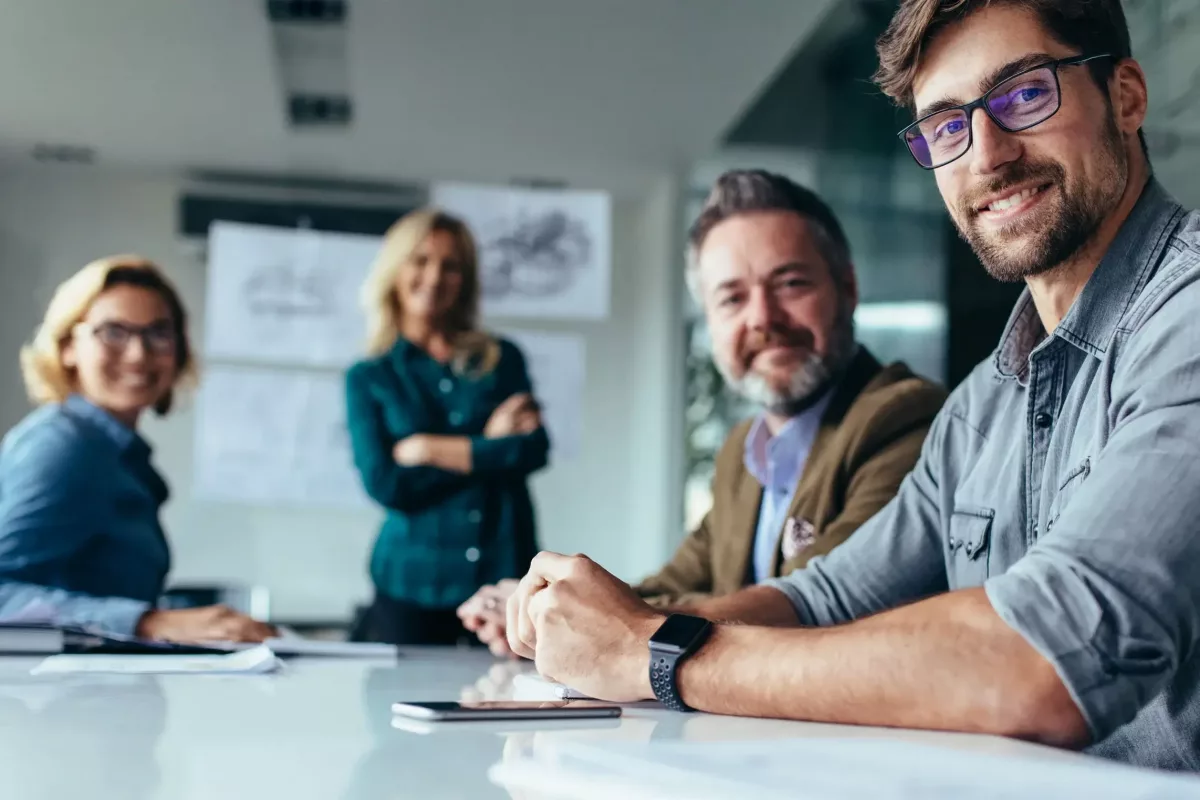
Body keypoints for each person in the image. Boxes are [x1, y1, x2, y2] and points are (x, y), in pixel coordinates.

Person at [502, 0, 1200, 771]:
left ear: (1127, 96)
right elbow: (823, 599)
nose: (988, 155)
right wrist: (611, 625)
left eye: (1026, 94)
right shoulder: (981, 406)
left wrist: (657, 654)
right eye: (946, 126)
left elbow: (1046, 662)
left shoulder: (1187, 317)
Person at [458, 171, 947, 656]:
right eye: (732, 298)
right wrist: (547, 611)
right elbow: (674, 583)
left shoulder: (902, 417)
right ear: (710, 322)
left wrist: (605, 623)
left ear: (847, 288)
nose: (762, 318)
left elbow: (817, 603)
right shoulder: (743, 449)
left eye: (791, 283)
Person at [0, 256, 274, 643]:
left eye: (159, 333)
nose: (138, 354)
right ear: (67, 347)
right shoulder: (64, 447)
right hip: (45, 699)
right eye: (113, 332)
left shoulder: (116, 452)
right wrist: (149, 622)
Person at [345, 209, 549, 646]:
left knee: (511, 705)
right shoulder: (369, 376)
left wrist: (426, 448)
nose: (435, 277)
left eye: (450, 265)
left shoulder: (502, 359)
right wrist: (488, 444)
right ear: (396, 270)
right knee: (394, 708)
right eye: (421, 260)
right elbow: (387, 484)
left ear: (466, 278)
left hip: (502, 576)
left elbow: (531, 451)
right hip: (409, 582)